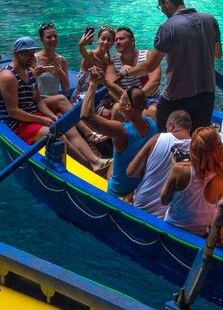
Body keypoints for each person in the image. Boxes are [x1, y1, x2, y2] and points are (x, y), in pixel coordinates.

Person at [117, 0, 222, 132]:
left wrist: (128, 72)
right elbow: (218, 54)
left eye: (161, 7)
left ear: (166, 2)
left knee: (165, 137)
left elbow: (150, 66)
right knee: (197, 138)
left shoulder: (168, 27)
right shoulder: (210, 20)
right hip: (207, 93)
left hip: (177, 97)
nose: (163, 11)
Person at [0, 37, 107, 172]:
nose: (31, 58)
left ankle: (95, 161)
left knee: (65, 126)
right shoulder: (8, 77)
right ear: (17, 54)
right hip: (17, 123)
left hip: (31, 114)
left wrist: (50, 117)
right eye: (27, 54)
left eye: (32, 53)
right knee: (56, 135)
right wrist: (42, 119)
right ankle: (88, 166)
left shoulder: (30, 72)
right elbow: (13, 111)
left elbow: (37, 101)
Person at [80, 67, 158, 197]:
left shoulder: (121, 131)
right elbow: (130, 98)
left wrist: (93, 84)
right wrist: (105, 81)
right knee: (113, 160)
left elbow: (86, 116)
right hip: (139, 184)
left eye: (121, 100)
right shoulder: (151, 122)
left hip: (118, 191)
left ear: (128, 106)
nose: (118, 100)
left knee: (110, 165)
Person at [160, 126, 223, 236]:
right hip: (199, 234)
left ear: (193, 148)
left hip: (172, 228)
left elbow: (164, 200)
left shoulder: (179, 170)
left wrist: (172, 168)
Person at [127, 110, 192, 217]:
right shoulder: (196, 149)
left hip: (142, 205)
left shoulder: (158, 138)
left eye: (167, 127)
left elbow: (131, 171)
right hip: (171, 214)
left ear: (171, 125)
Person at [106, 26, 161, 120]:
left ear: (132, 41)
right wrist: (128, 102)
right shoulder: (113, 64)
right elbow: (111, 89)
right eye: (116, 40)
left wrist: (136, 99)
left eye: (122, 39)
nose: (118, 42)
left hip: (150, 98)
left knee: (153, 110)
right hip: (126, 100)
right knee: (116, 108)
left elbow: (154, 82)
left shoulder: (148, 56)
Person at [70, 25, 115, 106]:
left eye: (109, 40)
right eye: (103, 38)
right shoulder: (90, 55)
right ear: (98, 40)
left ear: (112, 43)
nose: (105, 42)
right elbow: (84, 53)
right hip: (81, 97)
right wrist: (81, 46)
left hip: (96, 96)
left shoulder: (108, 61)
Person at [33, 22, 70, 97]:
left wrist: (60, 73)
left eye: (55, 36)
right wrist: (34, 74)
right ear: (42, 40)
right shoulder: (33, 59)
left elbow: (66, 88)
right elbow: (25, 85)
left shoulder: (62, 60)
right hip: (38, 100)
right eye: (49, 37)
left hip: (54, 100)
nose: (53, 39)